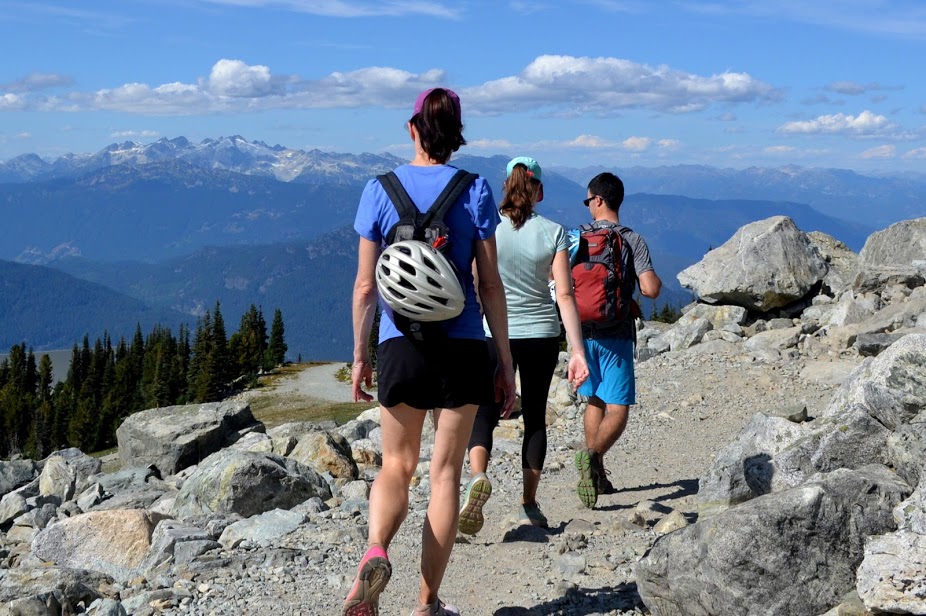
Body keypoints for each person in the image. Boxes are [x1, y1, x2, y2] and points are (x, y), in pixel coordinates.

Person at [344, 87, 517, 616]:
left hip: (400, 344)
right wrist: (505, 363)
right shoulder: (476, 190)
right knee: (445, 473)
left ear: (413, 128)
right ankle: (427, 603)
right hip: (462, 346)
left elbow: (365, 287)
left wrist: (361, 355)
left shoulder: (380, 190)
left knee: (396, 465)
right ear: (456, 134)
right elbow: (489, 286)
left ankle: (375, 549)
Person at [460, 156, 589, 533]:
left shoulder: (486, 229)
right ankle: (529, 505)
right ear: (538, 191)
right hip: (541, 335)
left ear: (507, 186)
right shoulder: (555, 232)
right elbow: (564, 294)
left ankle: (478, 476)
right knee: (534, 416)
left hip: (489, 331)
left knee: (483, 411)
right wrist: (577, 350)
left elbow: (478, 287)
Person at [573, 172, 661, 509]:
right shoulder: (631, 239)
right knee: (618, 408)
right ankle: (593, 457)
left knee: (594, 399)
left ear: (598, 200)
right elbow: (651, 289)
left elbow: (557, 280)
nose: (588, 206)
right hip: (616, 334)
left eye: (588, 200)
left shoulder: (575, 237)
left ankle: (597, 474)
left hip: (581, 334)